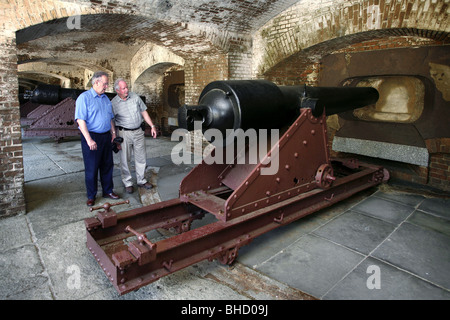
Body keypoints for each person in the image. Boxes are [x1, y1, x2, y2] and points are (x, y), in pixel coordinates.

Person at [75, 71, 119, 206]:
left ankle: (107, 191)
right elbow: (80, 121)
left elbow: (110, 118)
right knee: (92, 168)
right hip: (92, 136)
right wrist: (89, 140)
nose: (106, 86)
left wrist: (113, 133)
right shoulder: (84, 98)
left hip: (106, 136)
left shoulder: (106, 99)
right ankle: (91, 195)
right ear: (96, 82)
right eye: (105, 84)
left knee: (107, 165)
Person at [111, 78, 157, 194]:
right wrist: (114, 135)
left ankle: (141, 180)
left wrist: (152, 126)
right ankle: (128, 182)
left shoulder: (135, 97)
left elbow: (144, 112)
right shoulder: (113, 104)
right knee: (125, 159)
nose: (127, 90)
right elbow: (111, 121)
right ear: (117, 90)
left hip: (138, 132)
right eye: (123, 88)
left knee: (141, 157)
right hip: (124, 133)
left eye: (127, 87)